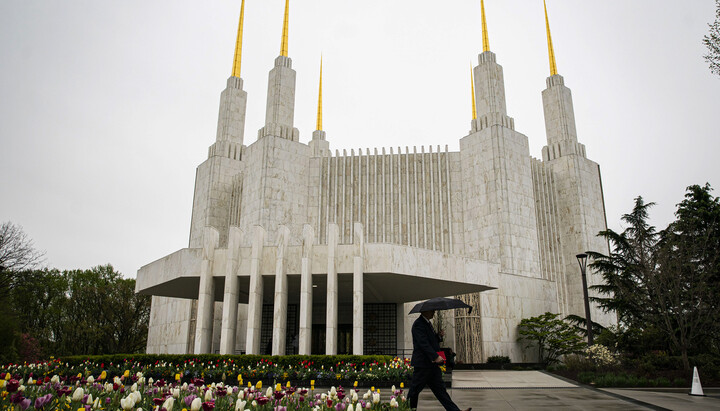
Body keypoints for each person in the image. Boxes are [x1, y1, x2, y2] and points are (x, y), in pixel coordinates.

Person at [407, 310, 471, 411]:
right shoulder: (418, 324)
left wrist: (439, 336)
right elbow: (423, 343)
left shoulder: (428, 323)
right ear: (424, 311)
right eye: (432, 310)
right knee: (414, 391)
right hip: (423, 365)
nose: (433, 312)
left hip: (432, 366)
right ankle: (408, 409)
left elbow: (431, 341)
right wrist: (435, 357)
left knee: (441, 391)